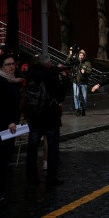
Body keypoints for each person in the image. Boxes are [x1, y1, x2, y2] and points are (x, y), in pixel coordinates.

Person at [25, 54, 67, 186]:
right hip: (49, 116)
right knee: (53, 147)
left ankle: (31, 177)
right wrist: (64, 79)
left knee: (32, 148)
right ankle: (51, 177)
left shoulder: (30, 74)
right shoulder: (50, 76)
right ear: (48, 64)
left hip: (34, 116)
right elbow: (60, 96)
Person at [0, 54, 24, 202]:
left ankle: (4, 189)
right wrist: (8, 121)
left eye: (13, 64)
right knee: (2, 160)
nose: (12, 66)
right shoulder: (2, 82)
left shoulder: (11, 81)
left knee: (7, 158)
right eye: (8, 64)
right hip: (4, 127)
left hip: (11, 128)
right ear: (2, 67)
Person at [66, 47, 91, 116]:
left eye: (82, 55)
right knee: (76, 95)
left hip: (84, 82)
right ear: (78, 55)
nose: (81, 57)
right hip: (76, 81)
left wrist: (85, 72)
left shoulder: (87, 63)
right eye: (80, 55)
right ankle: (77, 109)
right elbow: (67, 62)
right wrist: (70, 53)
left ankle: (83, 109)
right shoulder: (75, 61)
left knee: (84, 97)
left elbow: (90, 71)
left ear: (84, 56)